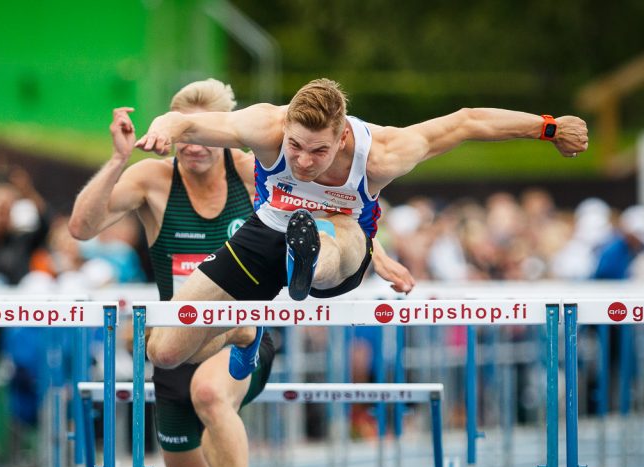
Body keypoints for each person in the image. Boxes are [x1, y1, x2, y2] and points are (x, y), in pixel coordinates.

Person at [71, 79, 413, 467]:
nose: (196, 145)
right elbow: (81, 227)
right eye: (187, 132)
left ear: (226, 134)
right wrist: (118, 161)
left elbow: (335, 203)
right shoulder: (153, 182)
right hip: (176, 350)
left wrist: (372, 253)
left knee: (213, 394)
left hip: (238, 342)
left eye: (207, 134)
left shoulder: (255, 169)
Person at [134, 78, 588, 371]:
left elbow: (468, 122)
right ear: (285, 126)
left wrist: (547, 128)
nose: (305, 162)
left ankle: (305, 259)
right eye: (296, 147)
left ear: (343, 136)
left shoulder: (384, 152)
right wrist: (163, 129)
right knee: (164, 352)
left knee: (335, 236)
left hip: (341, 238)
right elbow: (186, 122)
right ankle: (243, 329)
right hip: (267, 229)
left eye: (319, 152)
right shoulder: (266, 126)